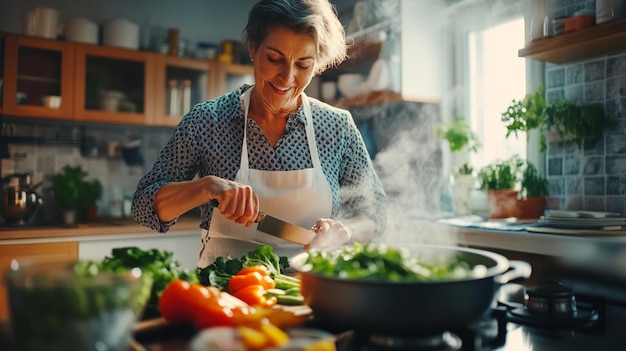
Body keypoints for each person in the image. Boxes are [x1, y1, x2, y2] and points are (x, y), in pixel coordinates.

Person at [131, 0, 388, 268]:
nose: (287, 77)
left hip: (310, 287)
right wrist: (206, 187)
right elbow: (144, 205)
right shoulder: (208, 120)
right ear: (253, 48)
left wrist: (345, 230)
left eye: (303, 65)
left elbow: (376, 214)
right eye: (275, 59)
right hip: (227, 291)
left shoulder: (337, 127)